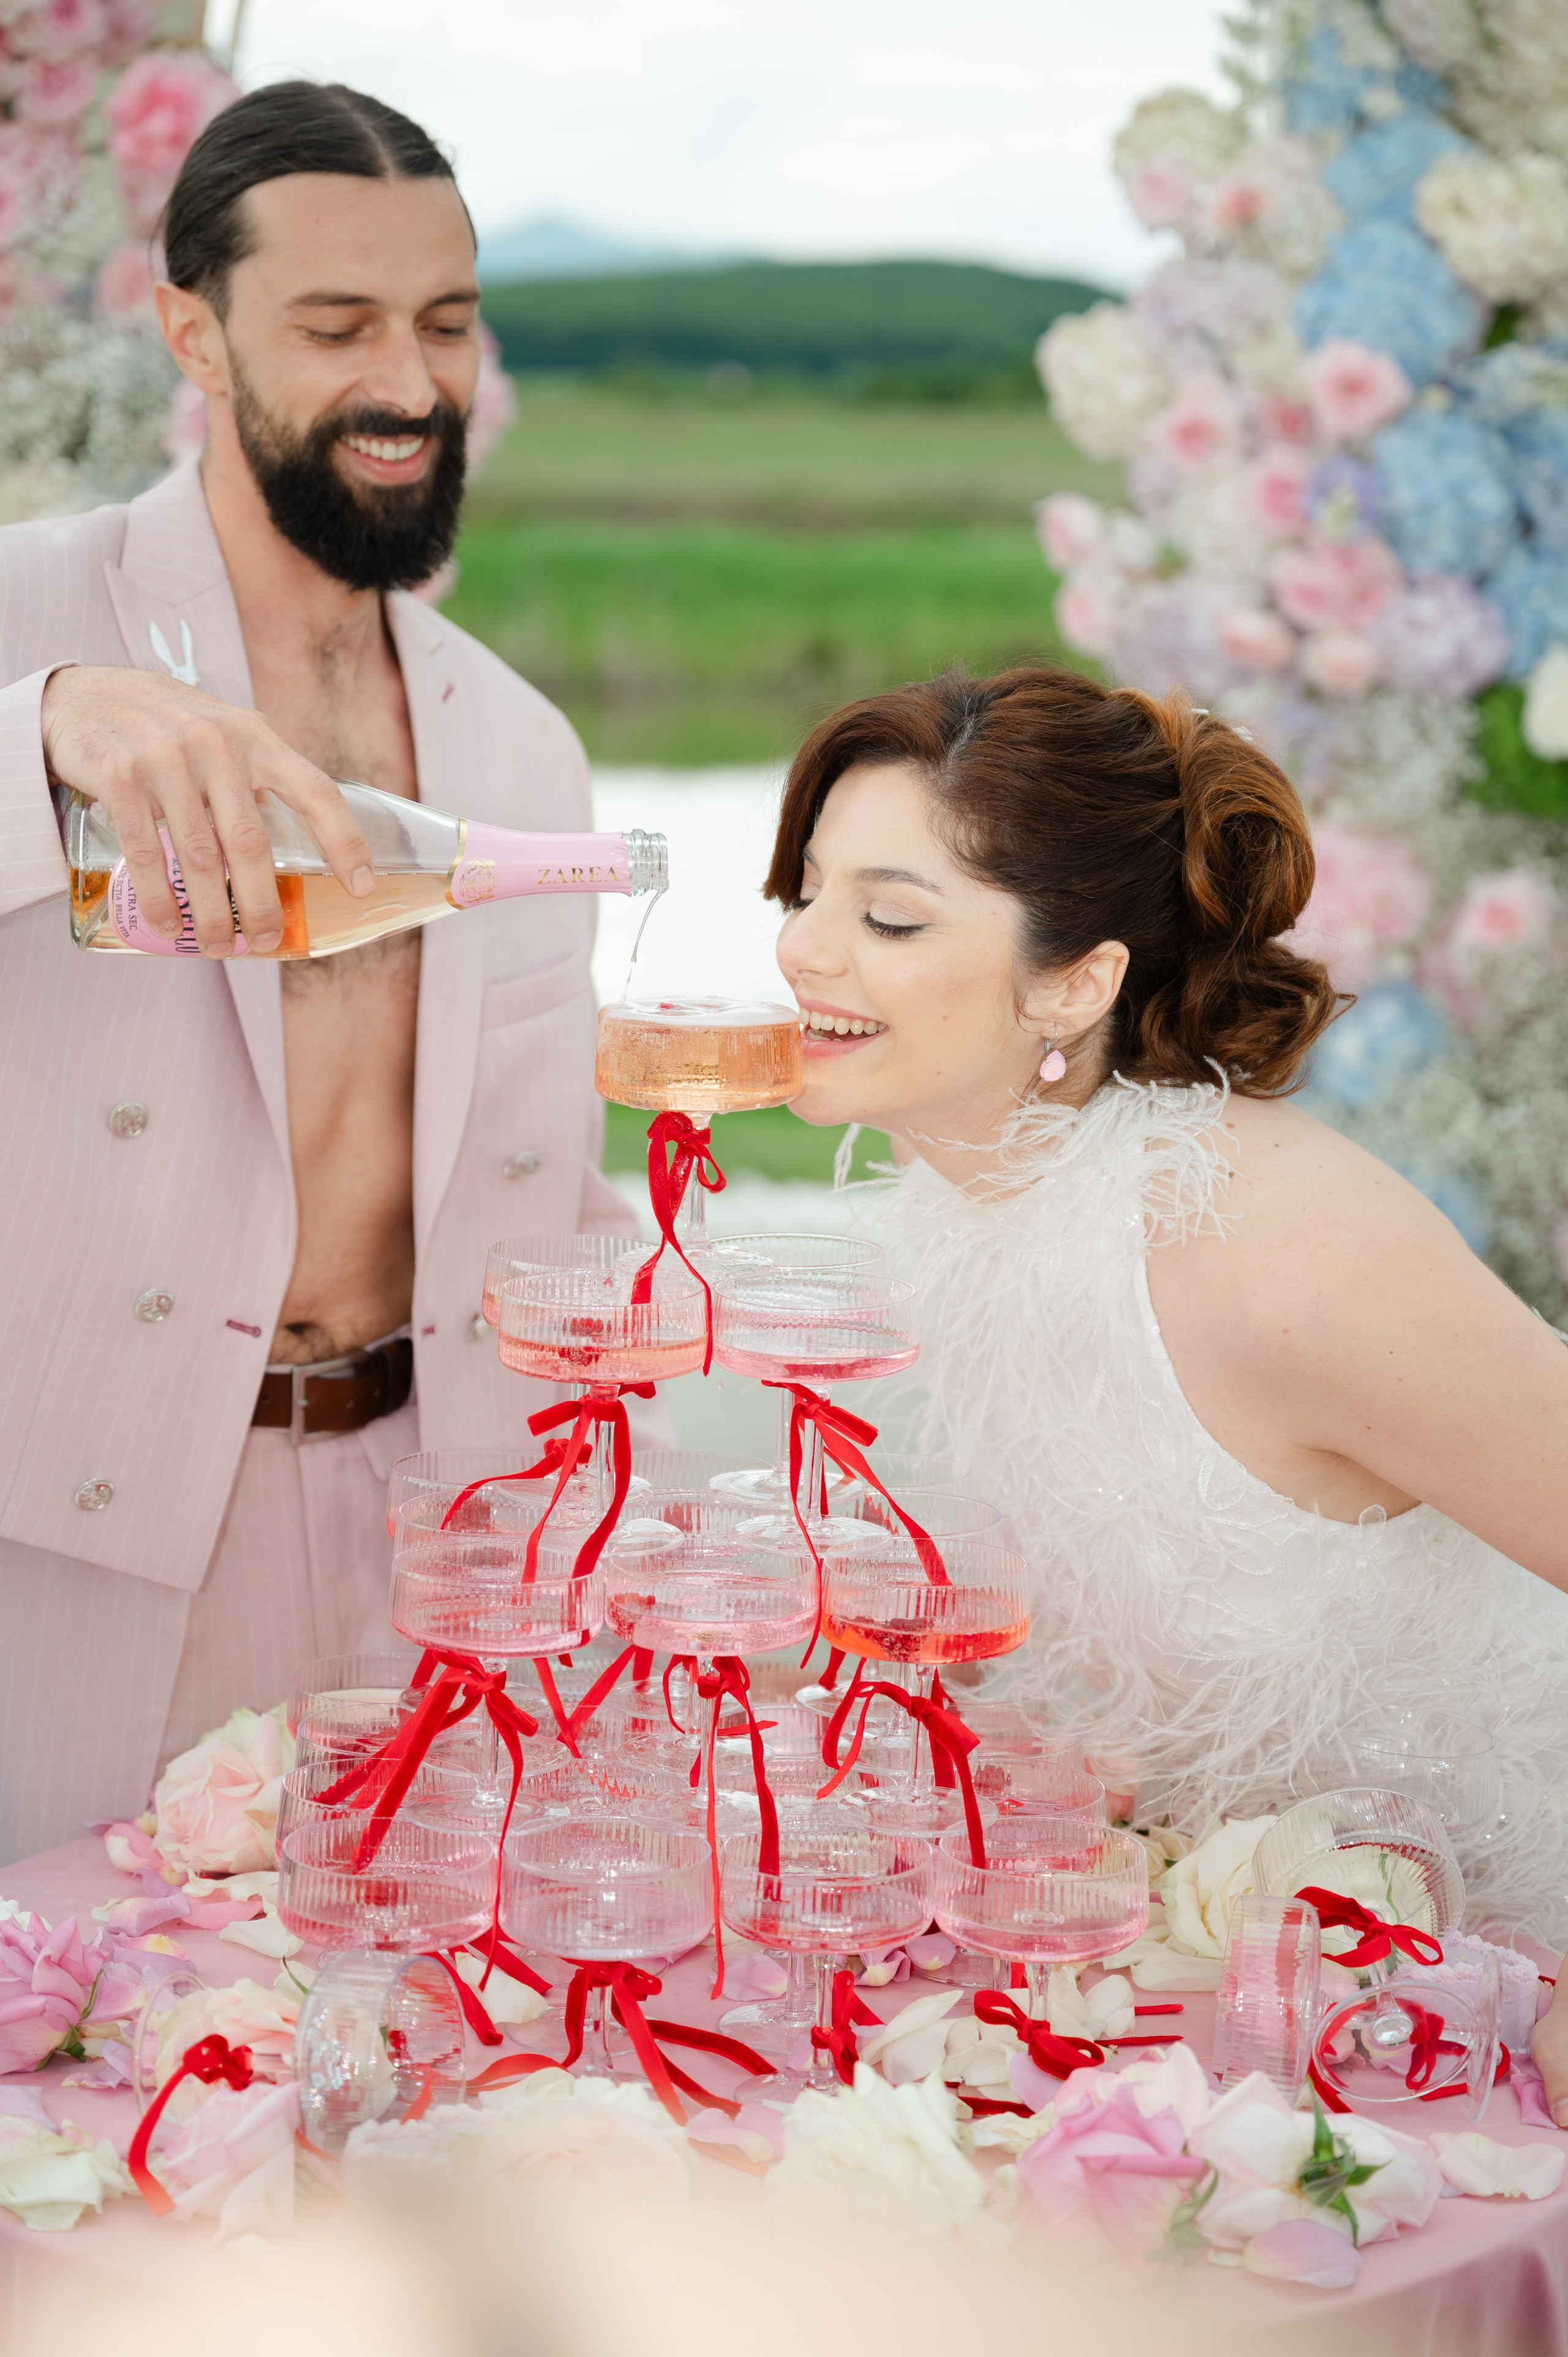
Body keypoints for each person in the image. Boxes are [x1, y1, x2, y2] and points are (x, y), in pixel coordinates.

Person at [0, 82, 661, 1865]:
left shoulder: (519, 746)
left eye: (447, 323)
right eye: (339, 325)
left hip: (429, 1542)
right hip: (77, 1543)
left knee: (408, 2081)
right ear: (193, 336)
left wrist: (610, 1528)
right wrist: (49, 724)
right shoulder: (31, 626)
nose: (410, 383)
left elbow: (542, 1186)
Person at [766, 665, 1568, 1975]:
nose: (801, 948)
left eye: (889, 921)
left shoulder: (1276, 1246)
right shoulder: (952, 1197)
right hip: (1245, 1977)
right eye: (806, 892)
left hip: (1502, 1959)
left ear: (1073, 985)